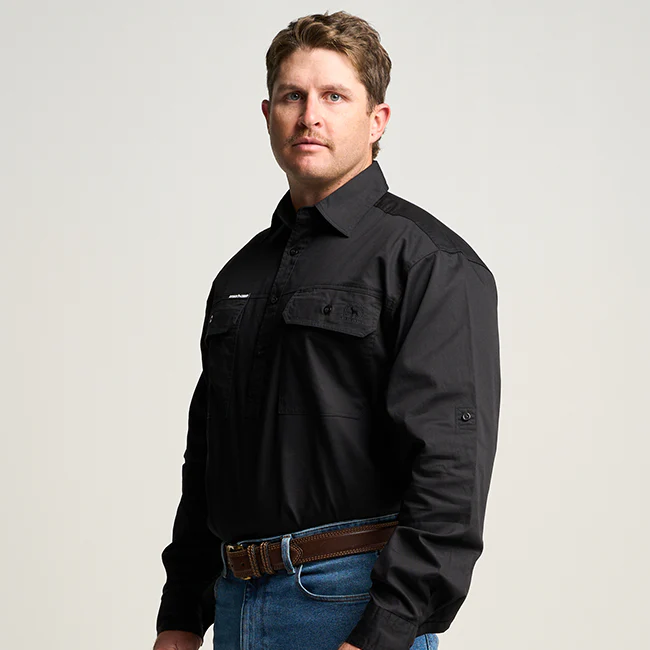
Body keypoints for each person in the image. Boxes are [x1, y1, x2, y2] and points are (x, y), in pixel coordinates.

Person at [152, 10, 500, 650]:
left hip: (348, 604)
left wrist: (384, 633)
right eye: (293, 96)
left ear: (377, 120)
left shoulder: (428, 262)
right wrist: (179, 613)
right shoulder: (241, 272)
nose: (309, 115)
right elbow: (209, 453)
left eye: (334, 96)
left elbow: (451, 468)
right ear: (268, 115)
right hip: (234, 600)